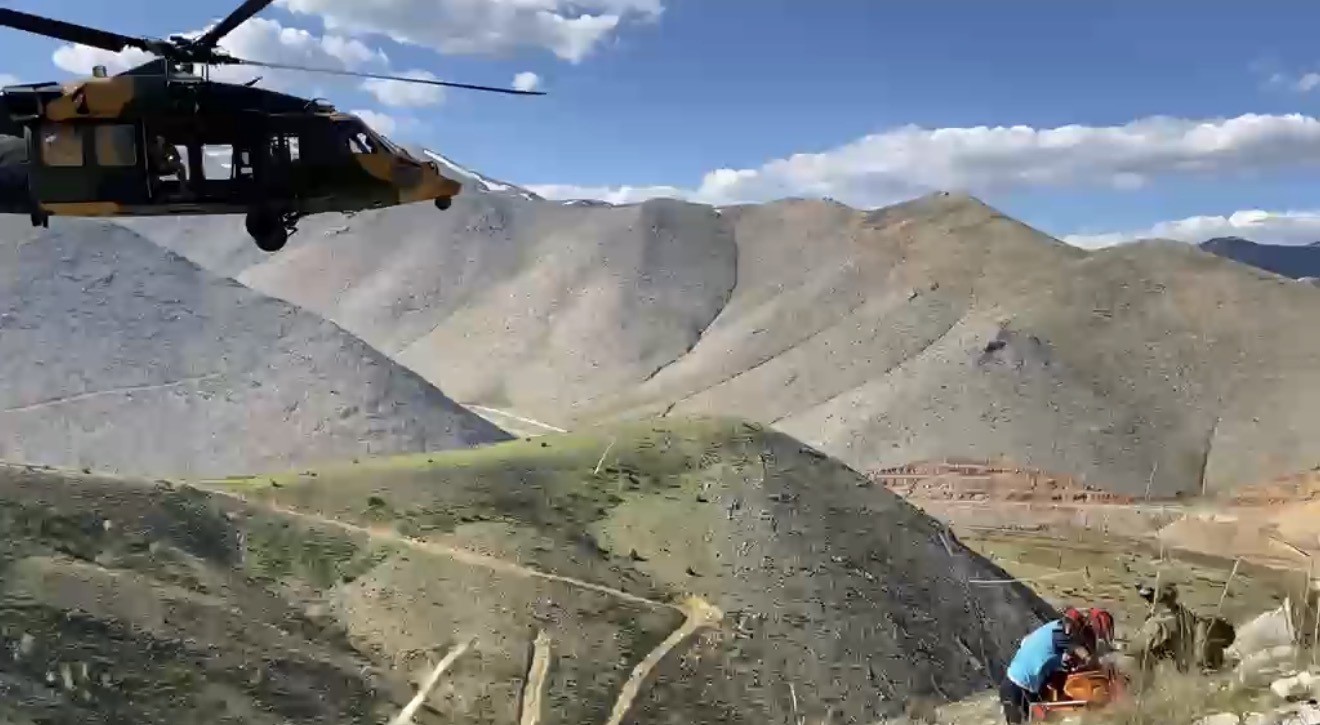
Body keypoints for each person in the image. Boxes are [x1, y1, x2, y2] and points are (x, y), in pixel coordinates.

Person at [1000, 608, 1091, 724]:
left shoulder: (1051, 628)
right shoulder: (1060, 633)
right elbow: (1080, 651)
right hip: (1017, 689)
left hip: (1019, 685)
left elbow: (1025, 641)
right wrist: (1091, 660)